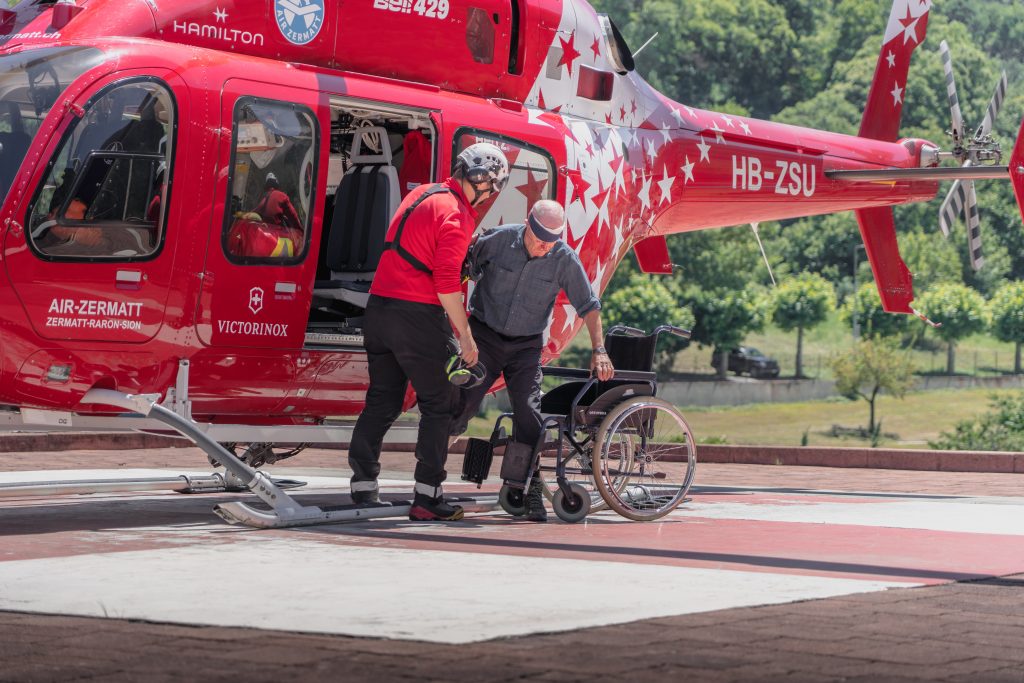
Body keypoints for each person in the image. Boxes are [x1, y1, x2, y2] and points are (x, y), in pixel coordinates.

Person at [348, 142, 510, 521]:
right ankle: (427, 496)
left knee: (382, 401)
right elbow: (446, 286)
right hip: (416, 314)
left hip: (379, 309)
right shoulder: (457, 215)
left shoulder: (423, 192)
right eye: (494, 186)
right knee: (441, 403)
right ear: (483, 181)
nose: (492, 194)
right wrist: (466, 338)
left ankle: (362, 485)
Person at [448, 199, 615, 522]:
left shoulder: (563, 258)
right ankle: (430, 483)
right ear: (527, 224)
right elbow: (461, 268)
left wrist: (599, 349)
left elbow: (589, 305)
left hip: (526, 347)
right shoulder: (498, 240)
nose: (543, 246)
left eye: (551, 240)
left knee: (529, 414)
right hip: (486, 336)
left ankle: (527, 487)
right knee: (462, 402)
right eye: (539, 238)